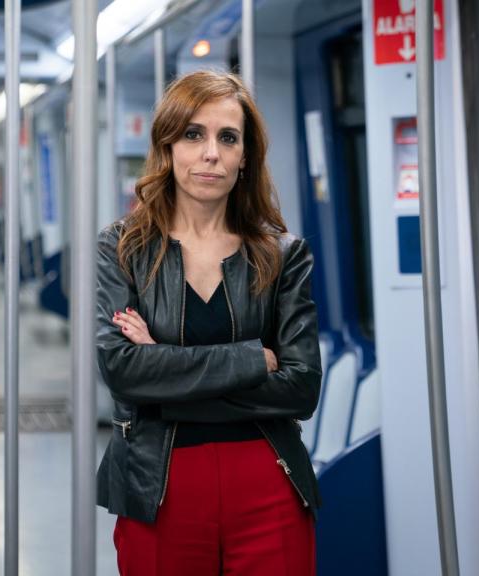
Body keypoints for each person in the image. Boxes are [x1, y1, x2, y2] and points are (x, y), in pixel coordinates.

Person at [95, 70, 322, 575]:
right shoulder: (123, 249)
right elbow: (122, 370)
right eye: (194, 134)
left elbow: (302, 388)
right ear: (168, 146)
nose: (210, 152)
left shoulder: (284, 256)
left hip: (268, 483)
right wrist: (252, 359)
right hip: (158, 486)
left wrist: (164, 365)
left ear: (245, 158)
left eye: (228, 137)